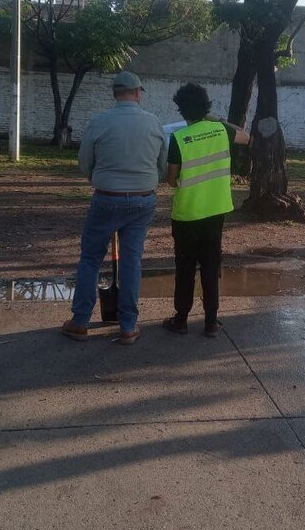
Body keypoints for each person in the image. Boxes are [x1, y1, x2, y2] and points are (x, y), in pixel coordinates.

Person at [61, 71, 167, 345]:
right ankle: (128, 326)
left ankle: (80, 322)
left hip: (106, 198)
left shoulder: (99, 122)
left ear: (115, 93)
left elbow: (85, 162)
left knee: (90, 258)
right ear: (138, 92)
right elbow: (162, 166)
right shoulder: (154, 123)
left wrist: (102, 180)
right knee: (132, 261)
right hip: (143, 200)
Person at [161, 83, 250, 338]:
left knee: (185, 267)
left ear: (181, 109)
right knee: (211, 265)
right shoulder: (221, 130)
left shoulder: (179, 138)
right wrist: (215, 118)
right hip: (215, 211)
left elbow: (171, 179)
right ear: (206, 106)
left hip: (187, 213)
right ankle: (211, 322)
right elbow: (245, 136)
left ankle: (181, 319)